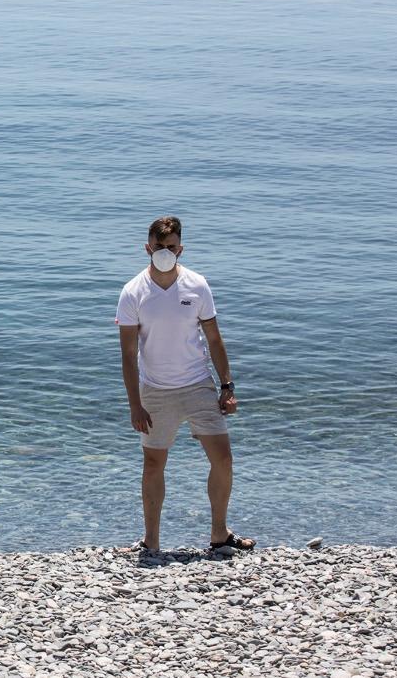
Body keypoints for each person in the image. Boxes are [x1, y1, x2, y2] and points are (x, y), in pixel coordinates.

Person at [116, 216, 255, 554]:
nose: (166, 253)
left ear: (182, 249)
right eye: (160, 248)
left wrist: (227, 386)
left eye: (172, 247)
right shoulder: (133, 292)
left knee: (222, 459)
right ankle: (151, 542)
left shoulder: (197, 285)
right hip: (155, 390)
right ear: (148, 248)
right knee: (153, 464)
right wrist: (135, 404)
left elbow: (214, 339)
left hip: (197, 384)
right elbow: (128, 355)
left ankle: (219, 534)